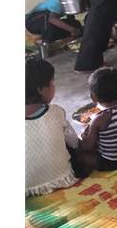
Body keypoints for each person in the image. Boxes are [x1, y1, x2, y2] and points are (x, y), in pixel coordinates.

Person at [26, 59, 80, 196]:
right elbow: (75, 143)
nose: (54, 86)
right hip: (62, 179)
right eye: (52, 82)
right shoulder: (56, 112)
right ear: (40, 89)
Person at [78, 67, 117, 171]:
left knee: (81, 156)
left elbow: (88, 146)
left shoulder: (98, 119)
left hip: (111, 162)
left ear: (93, 97)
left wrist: (83, 136)